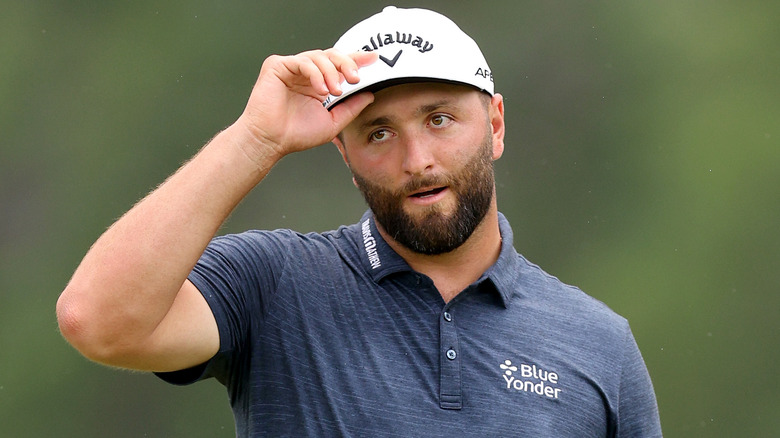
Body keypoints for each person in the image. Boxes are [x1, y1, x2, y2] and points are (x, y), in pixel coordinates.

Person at [56, 6, 662, 437]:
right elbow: (99, 321)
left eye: (440, 119)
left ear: (496, 125)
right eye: (378, 133)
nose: (416, 160)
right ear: (344, 157)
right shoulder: (273, 282)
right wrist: (254, 140)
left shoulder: (598, 345)